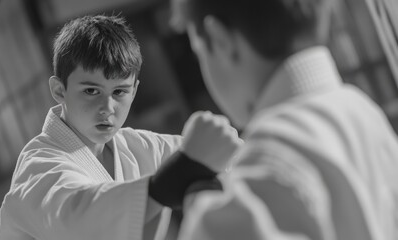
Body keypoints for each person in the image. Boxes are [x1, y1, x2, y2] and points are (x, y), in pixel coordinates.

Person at [0, 14, 241, 240]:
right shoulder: (39, 167)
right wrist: (170, 181)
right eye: (91, 91)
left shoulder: (135, 146)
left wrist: (231, 150)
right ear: (59, 91)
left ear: (133, 91)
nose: (108, 108)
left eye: (119, 92)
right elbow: (79, 220)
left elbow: (220, 159)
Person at [170, 0, 398, 239]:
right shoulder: (361, 109)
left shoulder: (273, 158)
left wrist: (196, 193)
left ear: (220, 39)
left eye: (198, 53)